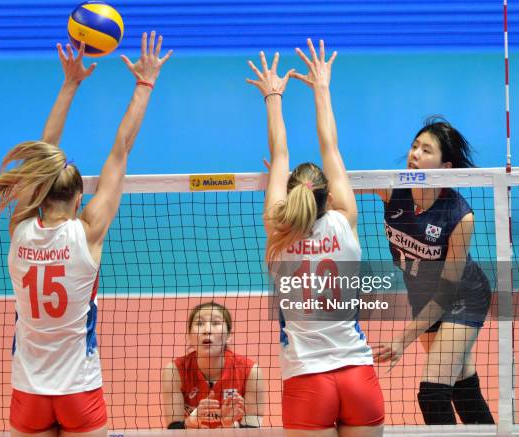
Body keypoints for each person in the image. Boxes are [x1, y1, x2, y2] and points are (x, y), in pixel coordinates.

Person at [0, 32, 172, 436]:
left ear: (37, 193)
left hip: (28, 390)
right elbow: (121, 149)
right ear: (79, 200)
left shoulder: (20, 229)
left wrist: (69, 84)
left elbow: (43, 151)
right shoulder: (88, 233)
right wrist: (145, 84)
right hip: (79, 389)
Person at [249, 39, 384, 437]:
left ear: (288, 194)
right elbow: (331, 146)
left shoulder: (277, 231)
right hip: (358, 375)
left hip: (308, 382)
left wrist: (274, 97)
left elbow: (280, 155)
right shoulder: (345, 220)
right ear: (329, 196)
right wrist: (321, 88)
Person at [371, 117, 494, 425]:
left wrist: (402, 340)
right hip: (422, 294)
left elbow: (447, 291)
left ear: (445, 166)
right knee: (461, 385)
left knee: (432, 393)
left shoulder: (459, 216)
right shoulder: (391, 189)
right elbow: (340, 184)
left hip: (462, 296)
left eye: (426, 150)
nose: (415, 154)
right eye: (414, 146)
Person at [162, 301, 266, 429]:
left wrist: (229, 425)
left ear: (229, 336)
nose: (207, 330)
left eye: (216, 323)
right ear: (189, 336)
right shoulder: (174, 371)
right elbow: (173, 428)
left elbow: (253, 429)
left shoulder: (250, 371)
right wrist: (192, 421)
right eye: (199, 323)